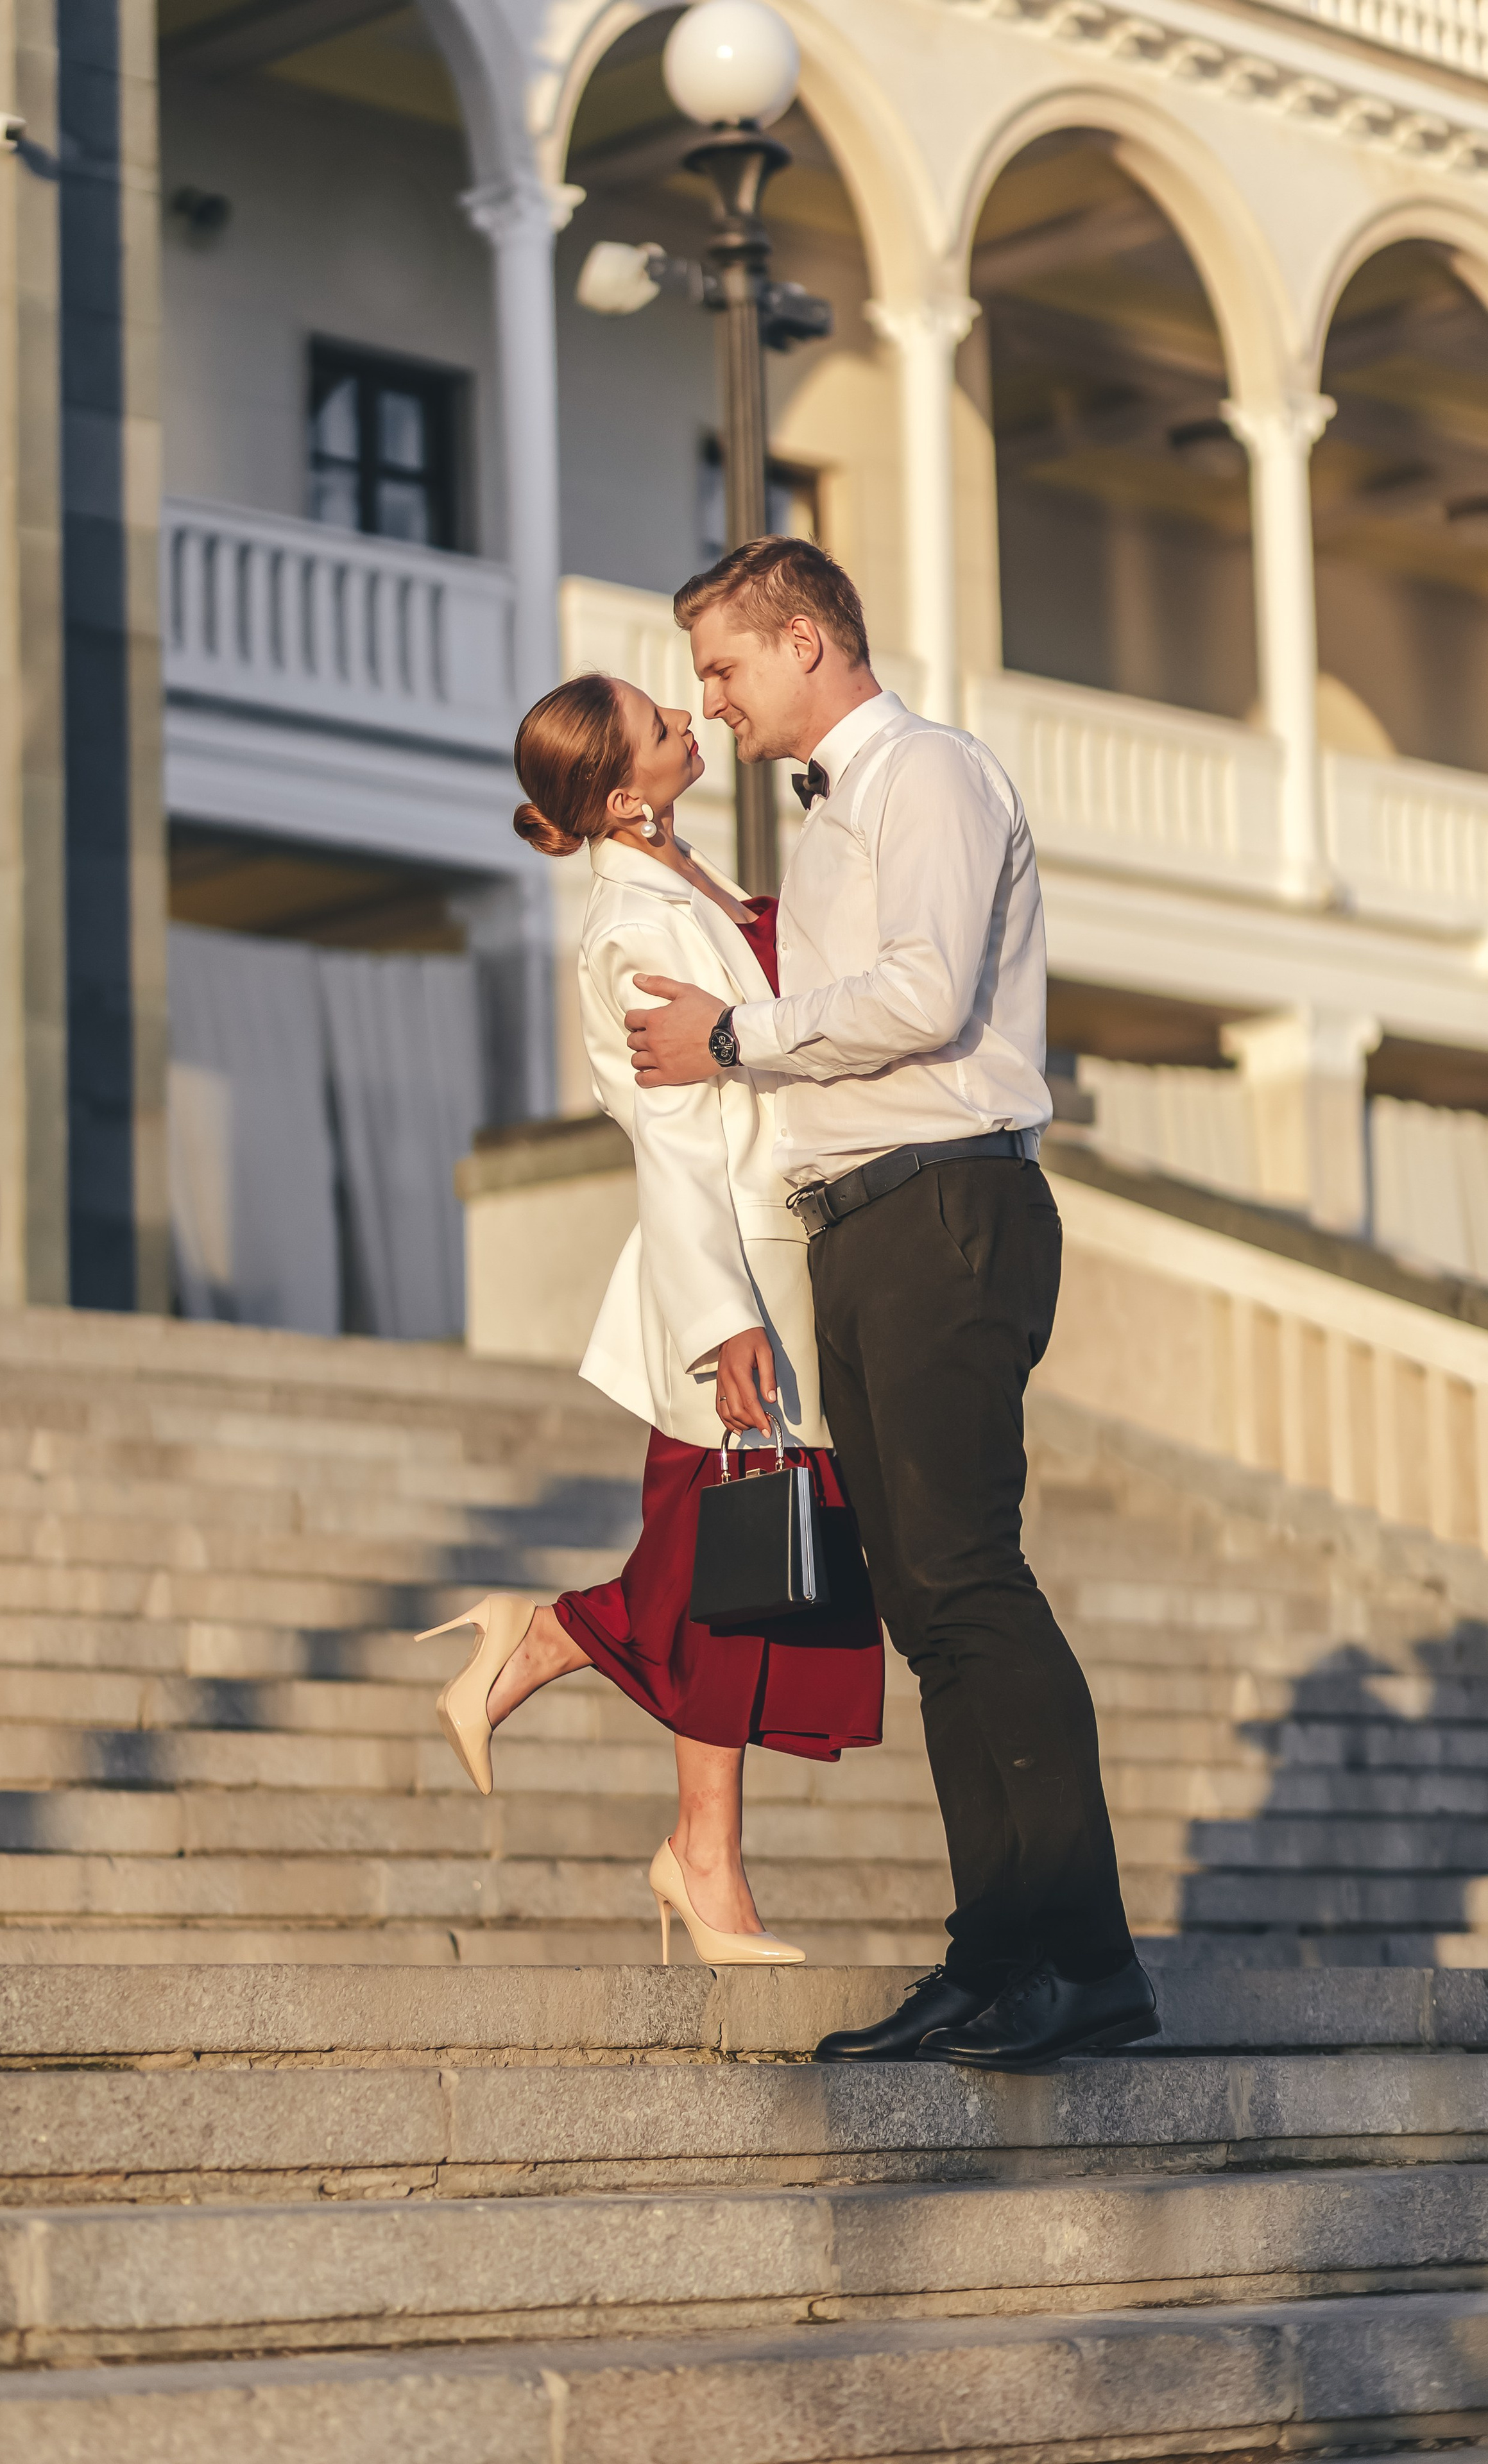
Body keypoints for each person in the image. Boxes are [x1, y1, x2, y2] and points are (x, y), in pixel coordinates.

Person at [622, 536, 1158, 2069]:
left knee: (968, 1584)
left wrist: (736, 1035)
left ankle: (1082, 1958)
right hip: (866, 1225)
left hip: (944, 1205)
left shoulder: (925, 773)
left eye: (723, 667)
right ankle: (994, 1957)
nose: (710, 701)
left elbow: (921, 996)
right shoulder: (839, 810)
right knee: (928, 1605)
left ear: (803, 642)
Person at [420, 669, 883, 1967]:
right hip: (730, 1289)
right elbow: (673, 1148)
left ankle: (544, 1646)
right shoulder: (632, 931)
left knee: (712, 1574)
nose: (689, 715)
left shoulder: (677, 881)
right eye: (662, 723)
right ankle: (702, 1865)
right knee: (730, 1586)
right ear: (622, 795)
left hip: (773, 1275)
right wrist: (720, 1323)